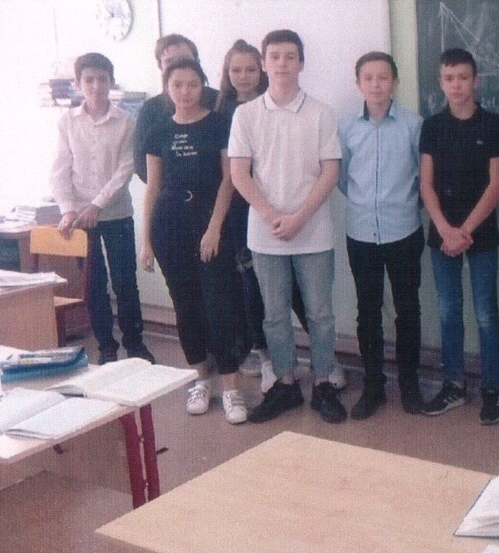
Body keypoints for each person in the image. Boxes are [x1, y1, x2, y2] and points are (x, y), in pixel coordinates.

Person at [228, 29, 346, 424]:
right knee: (274, 315)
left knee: (320, 315)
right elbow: (239, 174)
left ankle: (323, 384)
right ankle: (285, 384)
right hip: (266, 234)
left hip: (313, 231)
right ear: (264, 64)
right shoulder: (246, 115)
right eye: (275, 56)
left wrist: (299, 217)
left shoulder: (321, 113)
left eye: (290, 56)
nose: (282, 63)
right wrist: (272, 216)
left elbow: (330, 172)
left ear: (301, 63)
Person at [139, 57, 247, 423]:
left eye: (192, 84)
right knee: (185, 306)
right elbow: (153, 187)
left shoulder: (218, 124)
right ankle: (201, 377)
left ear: (203, 86)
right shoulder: (157, 130)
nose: (185, 92)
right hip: (169, 225)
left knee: (219, 305)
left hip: (210, 221)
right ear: (167, 88)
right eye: (177, 85)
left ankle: (231, 387)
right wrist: (145, 240)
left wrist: (215, 227)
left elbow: (228, 180)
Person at [418, 48, 499, 424]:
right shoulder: (432, 126)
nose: (456, 85)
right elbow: (426, 184)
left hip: (479, 233)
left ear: (476, 81)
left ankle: (493, 389)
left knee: (486, 312)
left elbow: (497, 183)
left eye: (463, 78)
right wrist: (444, 229)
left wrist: (465, 231)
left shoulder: (492, 124)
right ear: (441, 83)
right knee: (449, 310)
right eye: (449, 79)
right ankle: (453, 384)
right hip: (442, 233)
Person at [50, 52, 154, 366]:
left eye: (102, 79)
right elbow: (60, 169)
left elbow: (125, 169)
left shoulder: (126, 121)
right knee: (94, 285)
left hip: (116, 213)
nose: (96, 86)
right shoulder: (67, 121)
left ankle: (134, 344)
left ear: (111, 81)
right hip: (81, 218)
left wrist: (97, 204)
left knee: (125, 282)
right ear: (78, 83)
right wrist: (68, 210)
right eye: (89, 80)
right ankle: (106, 346)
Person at [339, 52, 425, 419]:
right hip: (361, 231)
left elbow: (424, 175)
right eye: (368, 78)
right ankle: (374, 385)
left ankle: (410, 385)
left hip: (403, 229)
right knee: (368, 311)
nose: (376, 84)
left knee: (407, 309)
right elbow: (341, 177)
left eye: (383, 77)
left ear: (395, 82)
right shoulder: (346, 127)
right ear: (358, 83)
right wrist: (366, 204)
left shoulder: (413, 125)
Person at [134, 34, 218, 182]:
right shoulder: (150, 109)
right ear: (160, 66)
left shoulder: (218, 101)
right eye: (169, 61)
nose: (179, 65)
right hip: (168, 191)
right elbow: (141, 164)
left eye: (185, 59)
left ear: (197, 62)